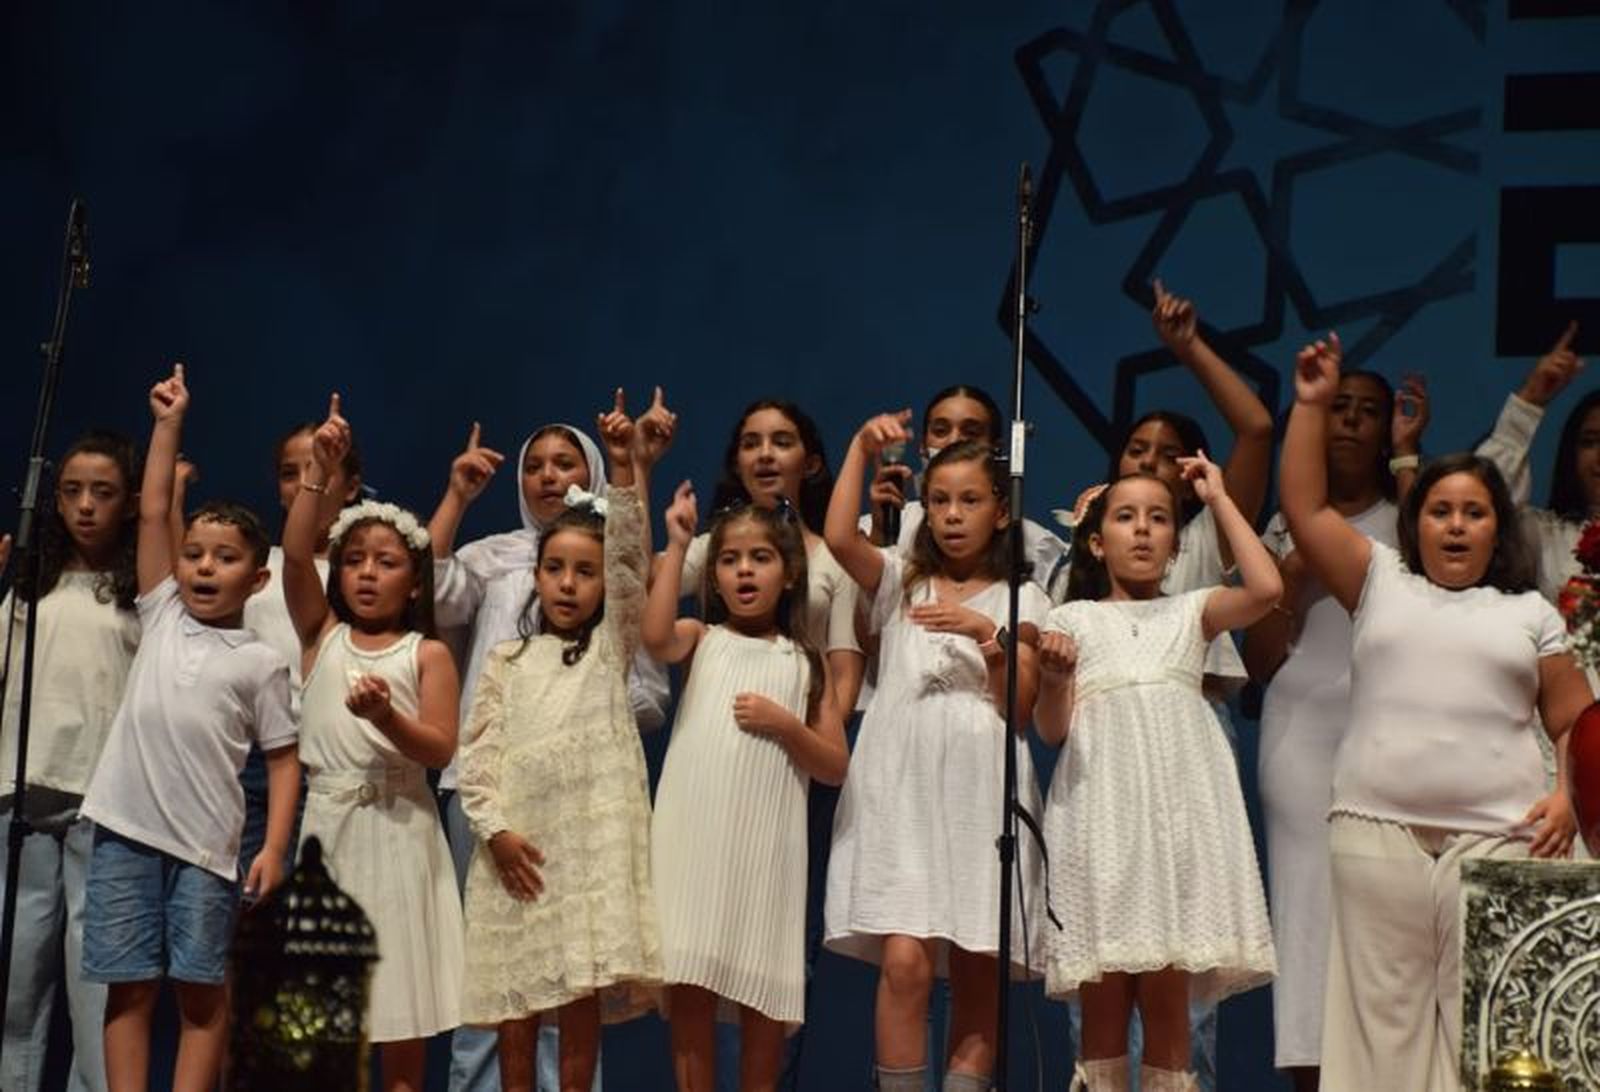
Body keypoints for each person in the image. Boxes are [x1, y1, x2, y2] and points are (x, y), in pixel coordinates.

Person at [1280, 333, 1590, 1090]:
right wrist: (1311, 405)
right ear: (1415, 523)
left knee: (1492, 1034)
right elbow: (1304, 505)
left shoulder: (1530, 613)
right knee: (1381, 1030)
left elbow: (1578, 720)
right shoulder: (1380, 580)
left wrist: (1569, 796)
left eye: (1475, 513)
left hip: (1501, 842)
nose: (1455, 525)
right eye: (1441, 510)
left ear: (1498, 527)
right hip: (1375, 832)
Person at [430, 400, 674, 1092]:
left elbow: (628, 559)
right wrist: (497, 829)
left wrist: (626, 468)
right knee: (509, 993)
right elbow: (476, 753)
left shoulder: (607, 650)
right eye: (555, 570)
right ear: (537, 575)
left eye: (584, 572)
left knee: (575, 991)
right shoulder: (506, 656)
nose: (568, 584)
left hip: (582, 839)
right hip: (511, 839)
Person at [79, 364, 299, 1092]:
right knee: (128, 985)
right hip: (124, 833)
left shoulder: (262, 660)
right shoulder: (163, 610)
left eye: (226, 558)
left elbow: (284, 761)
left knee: (201, 993)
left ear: (257, 578)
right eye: (195, 555)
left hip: (208, 849)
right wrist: (167, 424)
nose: (204, 568)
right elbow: (149, 516)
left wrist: (269, 848)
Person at [1036, 458, 1278, 1092]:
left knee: (1169, 1005)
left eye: (1158, 519)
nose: (1142, 531)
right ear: (1096, 541)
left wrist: (1220, 497)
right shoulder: (1072, 621)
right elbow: (1052, 730)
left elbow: (1266, 588)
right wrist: (1056, 680)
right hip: (1102, 821)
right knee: (1104, 1004)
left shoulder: (1193, 612)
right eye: (1125, 517)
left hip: (1174, 828)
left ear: (1175, 544)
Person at [824, 413, 1047, 1092]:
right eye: (941, 500)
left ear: (1001, 512)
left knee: (978, 955)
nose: (952, 516)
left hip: (980, 790)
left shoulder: (1024, 596)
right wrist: (861, 447)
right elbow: (837, 538)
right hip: (903, 787)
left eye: (970, 500)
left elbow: (1021, 706)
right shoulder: (900, 579)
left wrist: (988, 633)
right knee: (905, 960)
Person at [1243, 369, 1425, 1090]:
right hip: (1300, 739)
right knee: (1310, 922)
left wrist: (1414, 463)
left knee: (1393, 921)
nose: (1349, 422)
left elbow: (1441, 603)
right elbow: (1257, 664)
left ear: (1390, 429)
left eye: (1368, 412)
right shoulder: (1285, 528)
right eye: (1338, 408)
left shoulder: (1413, 519)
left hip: (1394, 737)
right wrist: (1290, 577)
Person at [282, 394, 463, 1092]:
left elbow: (439, 748)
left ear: (414, 578)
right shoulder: (320, 635)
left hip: (400, 836)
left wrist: (388, 719)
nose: (365, 572)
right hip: (331, 840)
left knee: (400, 1016)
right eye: (354, 559)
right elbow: (297, 552)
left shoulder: (426, 655)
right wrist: (319, 474)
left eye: (384, 562)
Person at [646, 480, 848, 1091]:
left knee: (764, 990)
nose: (743, 572)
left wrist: (787, 726)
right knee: (691, 983)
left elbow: (835, 765)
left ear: (789, 573)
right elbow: (653, 637)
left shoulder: (804, 661)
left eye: (759, 558)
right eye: (730, 561)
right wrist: (679, 544)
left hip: (765, 850)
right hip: (694, 836)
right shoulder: (702, 639)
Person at [0, 432, 141, 1092]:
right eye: (72, 491)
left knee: (96, 990)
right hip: (21, 797)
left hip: (102, 802)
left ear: (129, 502)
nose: (86, 506)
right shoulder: (30, 586)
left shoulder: (140, 592)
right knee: (18, 984)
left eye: (103, 493)